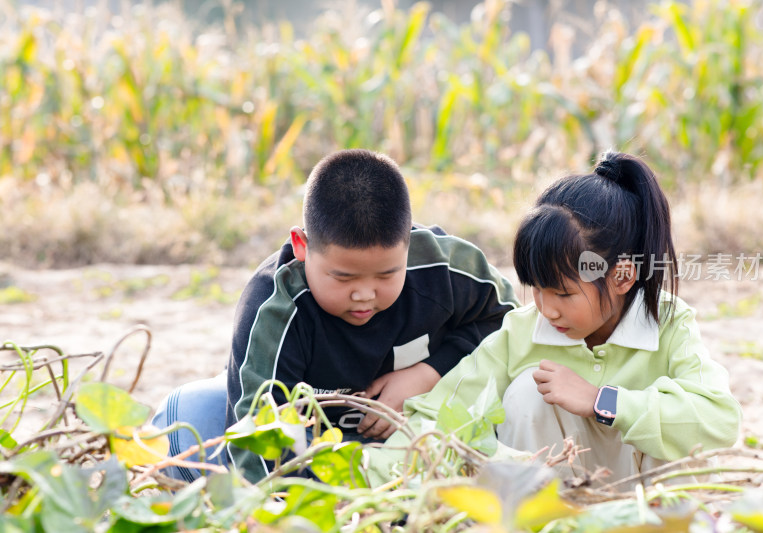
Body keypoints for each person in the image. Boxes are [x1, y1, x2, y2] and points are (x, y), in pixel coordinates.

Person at [367, 151, 741, 488]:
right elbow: (444, 415)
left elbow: (720, 420)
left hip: (652, 509)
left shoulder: (669, 324)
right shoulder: (524, 331)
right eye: (537, 288)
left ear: (623, 277)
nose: (547, 309)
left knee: (679, 416)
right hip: (562, 505)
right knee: (530, 391)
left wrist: (602, 401)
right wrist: (368, 478)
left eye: (563, 293)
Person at [152, 148, 519, 484]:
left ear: (409, 242)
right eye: (343, 277)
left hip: (421, 436)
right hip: (309, 449)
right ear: (301, 246)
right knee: (190, 418)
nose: (364, 294)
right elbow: (256, 439)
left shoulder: (445, 267)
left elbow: (508, 324)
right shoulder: (273, 307)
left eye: (387, 274)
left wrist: (429, 373)